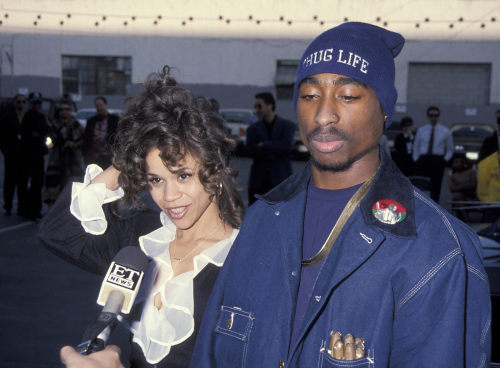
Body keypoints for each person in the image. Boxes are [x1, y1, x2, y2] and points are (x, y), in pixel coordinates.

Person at [191, 22, 491, 367]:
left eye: (348, 96)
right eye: (309, 96)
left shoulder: (438, 250)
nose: (323, 115)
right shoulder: (261, 219)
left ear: (384, 109)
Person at [38, 66, 245, 367]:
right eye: (156, 180)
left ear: (214, 170)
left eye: (183, 175)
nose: (169, 196)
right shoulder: (142, 239)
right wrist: (127, 156)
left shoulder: (244, 259)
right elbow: (56, 231)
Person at [246, 92, 296, 205]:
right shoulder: (253, 129)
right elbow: (250, 151)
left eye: (259, 106)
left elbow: (287, 146)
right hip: (258, 183)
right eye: (255, 106)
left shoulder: (287, 126)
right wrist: (276, 147)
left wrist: (264, 144)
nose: (257, 109)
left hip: (281, 181)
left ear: (270, 105)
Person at [44, 102, 84, 204]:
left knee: (74, 183)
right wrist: (52, 145)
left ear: (70, 111)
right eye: (62, 110)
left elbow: (82, 140)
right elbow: (48, 140)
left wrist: (73, 144)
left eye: (66, 109)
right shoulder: (53, 124)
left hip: (73, 158)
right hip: (56, 158)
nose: (64, 112)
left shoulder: (75, 124)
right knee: (54, 183)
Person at [412, 106, 453, 203]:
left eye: (436, 115)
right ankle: (421, 206)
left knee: (436, 186)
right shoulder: (421, 130)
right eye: (431, 115)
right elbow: (416, 146)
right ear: (428, 116)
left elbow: (450, 149)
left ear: (439, 116)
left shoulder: (446, 131)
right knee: (421, 186)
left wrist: (445, 160)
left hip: (437, 160)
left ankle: (435, 208)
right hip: (423, 160)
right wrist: (416, 159)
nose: (433, 117)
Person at [19, 92, 50, 219]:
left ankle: (32, 210)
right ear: (31, 103)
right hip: (31, 154)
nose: (37, 105)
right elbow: (35, 133)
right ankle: (31, 210)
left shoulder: (39, 116)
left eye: (39, 103)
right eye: (35, 103)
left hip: (37, 153)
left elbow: (45, 131)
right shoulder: (30, 116)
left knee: (36, 183)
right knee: (34, 183)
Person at [0, 94, 27, 216]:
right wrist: (5, 150)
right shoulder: (8, 117)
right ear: (15, 103)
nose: (20, 104)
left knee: (22, 182)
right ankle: (8, 205)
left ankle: (22, 206)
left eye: (23, 102)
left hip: (23, 154)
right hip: (11, 153)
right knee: (9, 181)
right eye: (18, 101)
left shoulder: (27, 116)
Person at [82, 96, 120, 169]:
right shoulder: (91, 121)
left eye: (101, 105)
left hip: (109, 156)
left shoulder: (114, 120)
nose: (99, 107)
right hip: (94, 157)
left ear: (105, 105)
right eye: (97, 106)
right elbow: (86, 138)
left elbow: (118, 136)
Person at [448, 153, 477, 222]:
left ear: (464, 163)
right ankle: (466, 220)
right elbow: (452, 188)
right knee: (458, 197)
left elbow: (473, 184)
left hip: (470, 195)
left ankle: (463, 222)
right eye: (456, 162)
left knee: (458, 199)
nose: (459, 164)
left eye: (461, 162)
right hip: (458, 197)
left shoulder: (470, 172)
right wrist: (465, 186)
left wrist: (459, 187)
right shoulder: (452, 176)